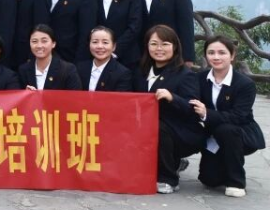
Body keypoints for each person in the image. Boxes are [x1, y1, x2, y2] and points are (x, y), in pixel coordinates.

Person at [135, 25, 206, 193]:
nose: (159, 49)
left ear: (175, 46)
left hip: (180, 130)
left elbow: (192, 109)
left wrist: (173, 97)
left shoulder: (185, 74)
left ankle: (169, 178)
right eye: (154, 44)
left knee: (158, 127)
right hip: (143, 128)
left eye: (165, 44)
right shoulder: (140, 72)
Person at [191, 37, 265, 197]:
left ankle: (236, 182)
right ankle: (222, 163)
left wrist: (206, 113)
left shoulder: (245, 84)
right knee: (209, 180)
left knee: (226, 130)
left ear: (232, 56)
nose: (216, 57)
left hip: (239, 133)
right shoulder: (199, 78)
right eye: (211, 52)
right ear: (206, 55)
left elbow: (238, 116)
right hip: (211, 134)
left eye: (222, 53)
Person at [18, 24, 83, 91]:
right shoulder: (23, 70)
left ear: (53, 44)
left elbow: (76, 96)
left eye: (44, 41)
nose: (39, 46)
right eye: (34, 41)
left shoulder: (67, 70)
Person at [75, 26, 132, 92]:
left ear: (114, 46)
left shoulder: (122, 73)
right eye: (95, 42)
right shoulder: (79, 68)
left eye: (105, 42)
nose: (99, 46)